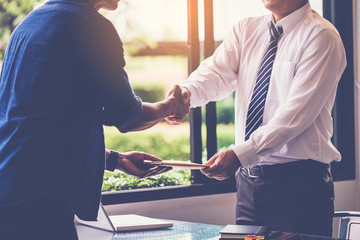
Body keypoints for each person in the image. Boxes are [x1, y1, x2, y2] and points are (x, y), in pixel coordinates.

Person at [0, 0, 188, 239]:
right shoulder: (91, 26)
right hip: (40, 202)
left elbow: (38, 122)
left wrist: (115, 160)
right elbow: (128, 116)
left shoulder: (29, 23)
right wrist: (170, 106)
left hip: (8, 195)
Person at [168, 0, 346, 237]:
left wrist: (240, 154)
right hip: (249, 183)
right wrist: (186, 94)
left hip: (300, 185)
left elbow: (295, 116)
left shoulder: (322, 36)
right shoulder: (246, 29)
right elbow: (216, 73)